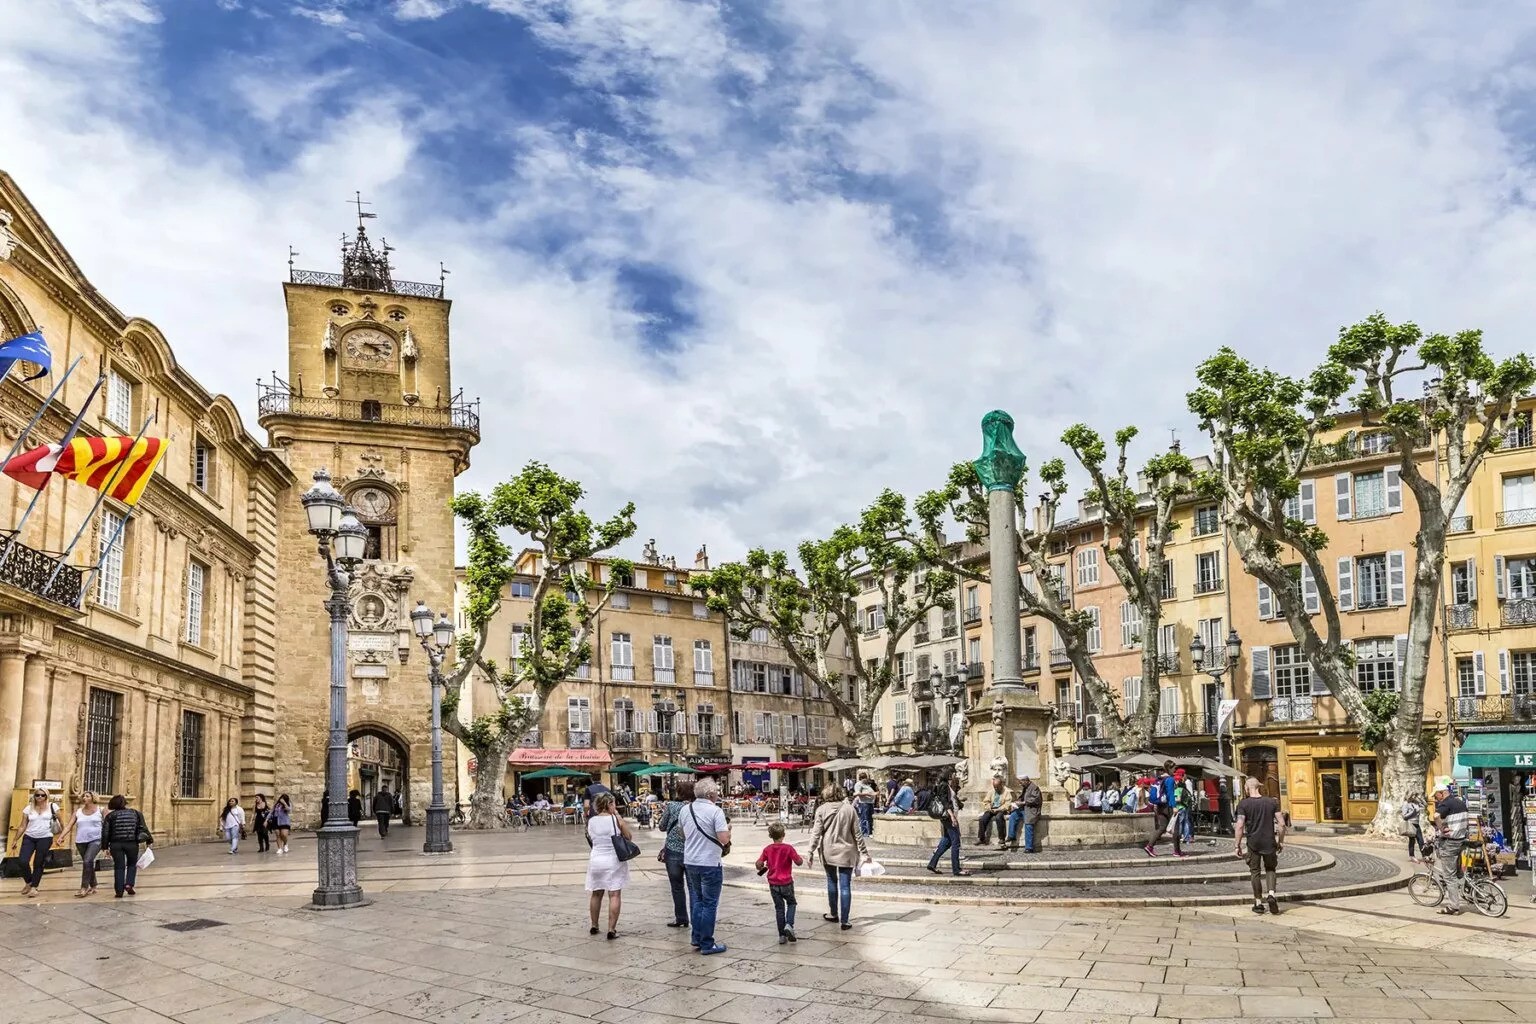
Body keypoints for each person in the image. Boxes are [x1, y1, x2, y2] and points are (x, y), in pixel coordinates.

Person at [680, 776, 731, 955]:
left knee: (697, 901)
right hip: (709, 862)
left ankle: (696, 937)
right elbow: (723, 839)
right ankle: (707, 944)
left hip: (690, 861)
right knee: (709, 903)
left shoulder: (685, 810)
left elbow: (682, 833)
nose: (718, 794)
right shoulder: (715, 811)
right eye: (716, 791)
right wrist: (729, 832)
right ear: (710, 794)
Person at [808, 784, 871, 928]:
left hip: (828, 851)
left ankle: (833, 914)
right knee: (845, 885)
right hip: (847, 852)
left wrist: (810, 851)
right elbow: (858, 834)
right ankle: (845, 921)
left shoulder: (821, 810)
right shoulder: (849, 809)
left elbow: (816, 833)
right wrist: (864, 852)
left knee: (831, 881)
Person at [584, 792, 633, 940]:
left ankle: (594, 924)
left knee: (596, 893)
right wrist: (618, 817)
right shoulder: (615, 819)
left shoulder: (591, 821)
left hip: (596, 859)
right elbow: (628, 837)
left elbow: (591, 837)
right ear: (609, 804)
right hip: (613, 860)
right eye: (614, 803)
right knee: (614, 894)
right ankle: (611, 929)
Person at [1233, 776, 1285, 915]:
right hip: (1269, 841)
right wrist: (1280, 840)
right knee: (1270, 869)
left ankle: (1258, 902)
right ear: (1259, 787)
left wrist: (1237, 845)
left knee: (1255, 871)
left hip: (1253, 843)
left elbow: (1239, 826)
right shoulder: (1271, 802)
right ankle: (1272, 894)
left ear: (1247, 788)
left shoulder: (1243, 804)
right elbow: (1281, 824)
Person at [757, 821, 804, 944]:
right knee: (792, 903)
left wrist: (761, 865)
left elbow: (758, 864)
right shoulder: (788, 848)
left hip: (773, 884)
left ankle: (781, 936)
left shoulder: (767, 849)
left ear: (771, 836)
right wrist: (801, 859)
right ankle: (789, 924)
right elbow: (799, 862)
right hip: (786, 882)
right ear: (783, 835)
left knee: (779, 908)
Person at [657, 780, 694, 930]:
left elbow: (661, 826)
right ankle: (696, 918)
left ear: (678, 792)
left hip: (672, 851)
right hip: (692, 851)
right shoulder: (694, 807)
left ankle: (681, 918)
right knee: (693, 887)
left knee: (676, 887)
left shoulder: (671, 806)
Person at [1430, 777, 1469, 916]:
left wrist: (1441, 828)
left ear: (1441, 793)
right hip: (1461, 840)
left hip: (1450, 842)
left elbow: (1435, 816)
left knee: (1449, 875)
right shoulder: (1460, 802)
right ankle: (1468, 892)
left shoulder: (1446, 803)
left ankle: (1453, 906)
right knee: (1458, 872)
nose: (1436, 798)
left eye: (1436, 795)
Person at [101, 794, 151, 898]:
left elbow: (105, 832)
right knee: (132, 864)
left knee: (119, 866)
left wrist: (105, 847)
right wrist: (149, 840)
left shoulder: (110, 816)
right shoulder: (136, 813)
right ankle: (129, 884)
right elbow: (143, 828)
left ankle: (119, 891)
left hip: (116, 844)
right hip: (132, 843)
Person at [16, 789, 59, 897]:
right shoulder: (28, 808)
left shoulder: (53, 807)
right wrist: (15, 839)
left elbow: (61, 823)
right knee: (22, 861)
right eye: (37, 795)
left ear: (46, 796)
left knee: (38, 862)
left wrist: (61, 838)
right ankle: (29, 882)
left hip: (45, 837)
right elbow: (22, 826)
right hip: (29, 837)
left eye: (42, 795)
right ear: (34, 796)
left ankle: (34, 887)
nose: (40, 797)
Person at [925, 774, 970, 875]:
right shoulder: (944, 785)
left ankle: (932, 863)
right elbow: (945, 801)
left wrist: (960, 803)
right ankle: (956, 869)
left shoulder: (945, 785)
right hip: (948, 817)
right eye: (952, 773)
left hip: (947, 816)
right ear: (948, 774)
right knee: (956, 842)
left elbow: (951, 800)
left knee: (947, 841)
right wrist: (952, 816)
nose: (955, 775)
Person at [66, 791, 104, 898]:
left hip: (96, 840)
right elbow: (69, 826)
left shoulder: (100, 810)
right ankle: (94, 885)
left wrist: (108, 843)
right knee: (88, 862)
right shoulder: (78, 812)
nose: (84, 798)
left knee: (87, 860)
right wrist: (61, 837)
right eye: (83, 796)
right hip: (81, 841)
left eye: (87, 796)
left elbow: (107, 827)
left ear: (93, 798)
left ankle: (84, 887)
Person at [1145, 765, 1184, 858]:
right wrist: (1174, 806)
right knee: (1176, 829)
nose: (1174, 771)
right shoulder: (1170, 779)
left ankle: (1149, 846)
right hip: (1168, 806)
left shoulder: (1158, 779)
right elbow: (1170, 794)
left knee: (1162, 827)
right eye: (1174, 769)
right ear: (1169, 768)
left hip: (1159, 806)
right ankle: (1177, 851)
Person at [1006, 773, 1043, 852]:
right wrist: (1017, 802)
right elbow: (1022, 797)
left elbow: (1036, 800)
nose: (1020, 784)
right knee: (1013, 815)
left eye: (1020, 782)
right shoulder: (1025, 787)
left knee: (1028, 824)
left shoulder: (1034, 788)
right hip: (1024, 809)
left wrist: (1023, 803)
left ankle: (1029, 848)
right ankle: (1011, 836)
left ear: (1026, 781)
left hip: (1032, 810)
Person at [976, 776, 1015, 845]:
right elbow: (986, 801)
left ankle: (1001, 838)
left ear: (1001, 785)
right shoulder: (991, 792)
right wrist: (989, 807)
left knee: (999, 818)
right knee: (983, 819)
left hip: (1001, 809)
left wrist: (998, 809)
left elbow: (1007, 804)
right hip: (992, 809)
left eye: (997, 787)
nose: (996, 788)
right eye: (995, 787)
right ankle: (981, 838)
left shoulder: (1006, 792)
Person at [1401, 790, 1427, 860]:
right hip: (1411, 824)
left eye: (1415, 795)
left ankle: (1424, 855)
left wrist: (1420, 798)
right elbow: (1404, 816)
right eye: (1413, 795)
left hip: (1417, 823)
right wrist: (1413, 812)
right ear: (1409, 796)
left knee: (1421, 840)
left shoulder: (1416, 803)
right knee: (1412, 840)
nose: (1414, 797)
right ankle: (1412, 856)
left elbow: (1425, 805)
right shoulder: (1406, 804)